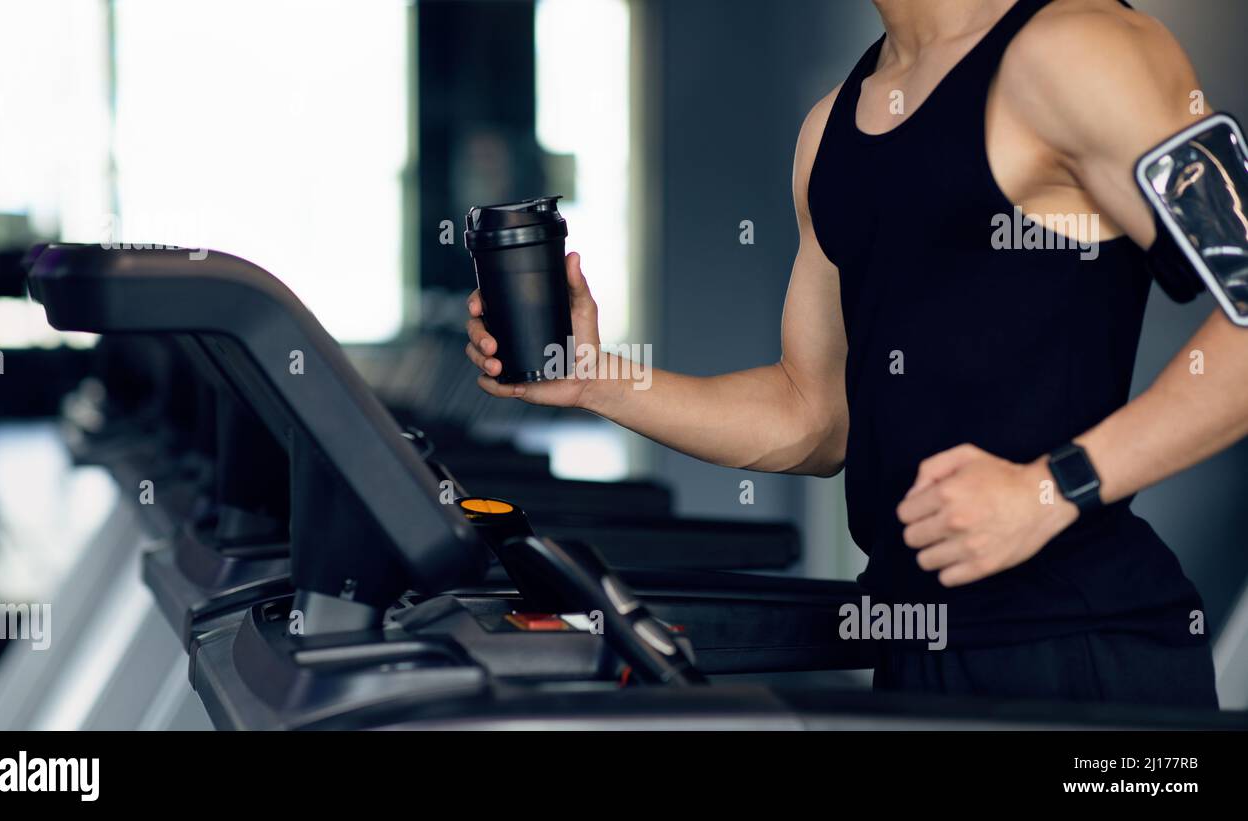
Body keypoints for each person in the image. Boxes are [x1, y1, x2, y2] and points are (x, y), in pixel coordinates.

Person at [465, 0, 1248, 707]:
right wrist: (601, 383)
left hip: (1079, 652)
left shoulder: (1081, 48)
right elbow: (813, 415)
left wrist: (1050, 488)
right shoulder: (832, 127)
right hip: (915, 656)